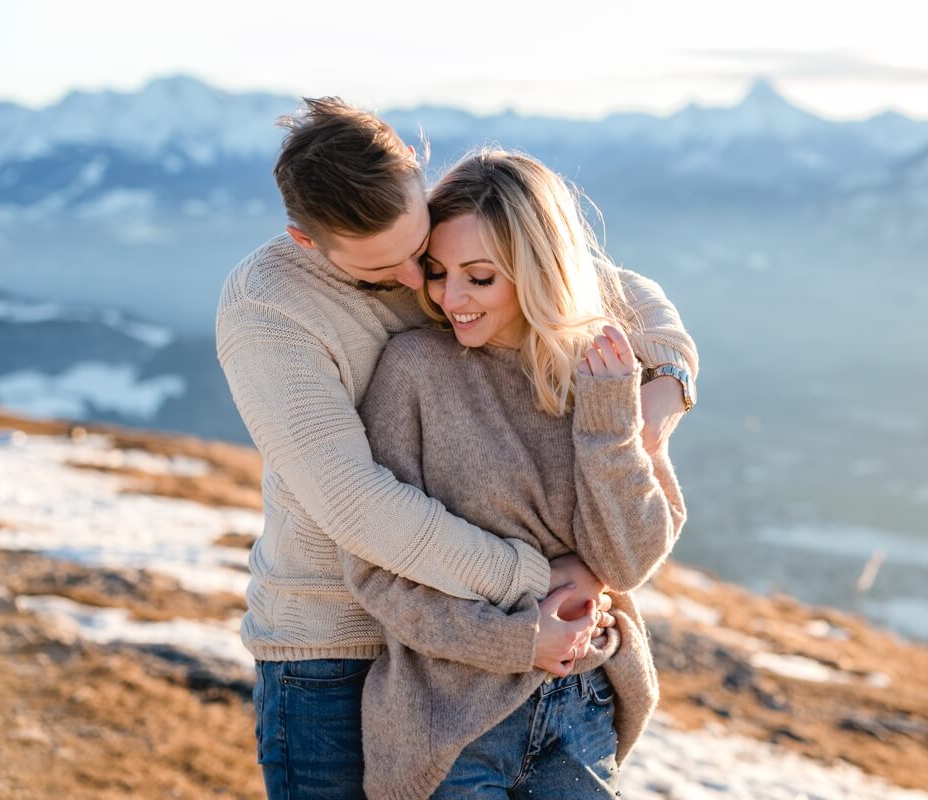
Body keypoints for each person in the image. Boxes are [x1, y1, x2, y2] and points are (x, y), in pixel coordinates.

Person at [215, 98, 698, 798]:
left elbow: (601, 285)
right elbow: (359, 507)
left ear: (418, 175)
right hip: (330, 646)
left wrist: (665, 381)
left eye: (422, 253)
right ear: (308, 243)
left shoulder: (450, 234)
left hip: (481, 658)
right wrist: (549, 582)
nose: (424, 287)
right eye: (387, 269)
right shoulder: (271, 309)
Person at [341, 149, 687, 799]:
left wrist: (611, 423)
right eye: (439, 273)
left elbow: (631, 560)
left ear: (537, 272)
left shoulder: (605, 371)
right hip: (449, 725)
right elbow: (376, 572)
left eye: (480, 278)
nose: (450, 298)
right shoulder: (412, 371)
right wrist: (515, 643)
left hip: (584, 709)